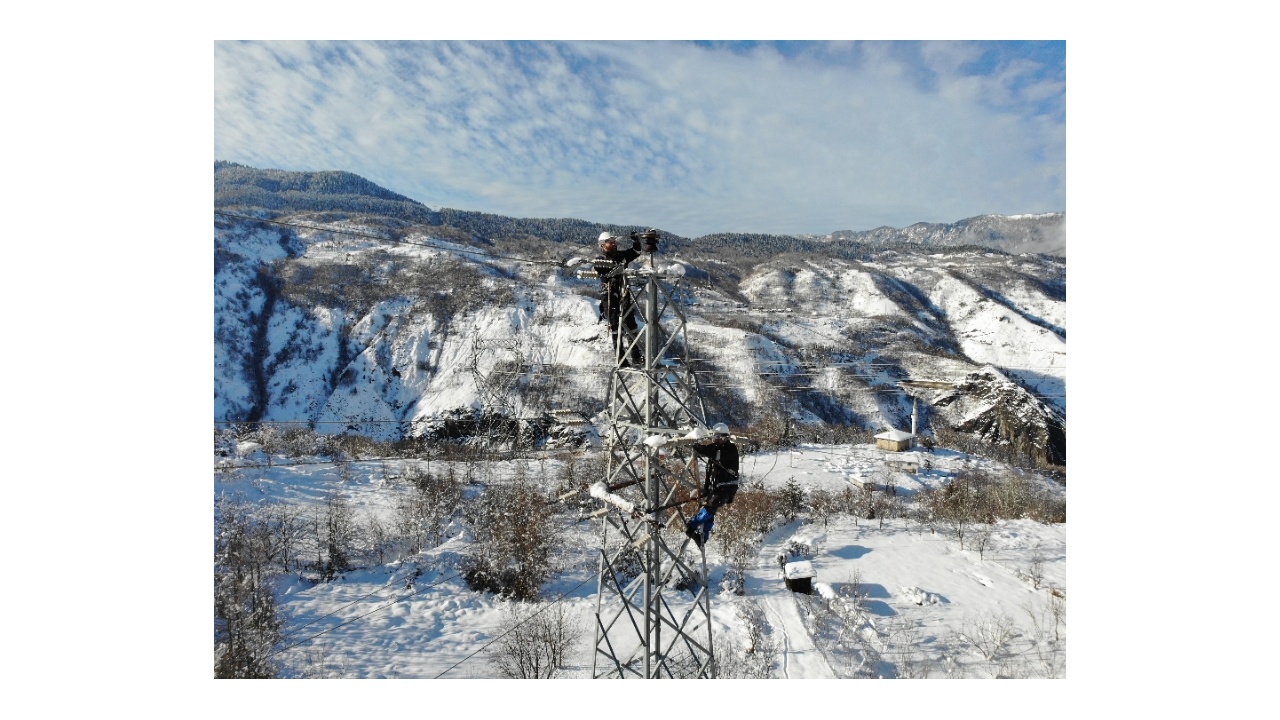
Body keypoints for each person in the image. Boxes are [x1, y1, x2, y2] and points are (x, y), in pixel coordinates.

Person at [592, 230, 658, 367]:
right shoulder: (601, 259)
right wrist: (615, 266)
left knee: (631, 325)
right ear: (603, 245)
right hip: (610, 296)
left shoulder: (621, 256)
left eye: (615, 242)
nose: (614, 244)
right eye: (611, 242)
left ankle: (636, 356)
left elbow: (635, 252)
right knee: (616, 327)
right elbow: (599, 266)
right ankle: (620, 358)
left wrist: (635, 241)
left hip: (624, 294)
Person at [685, 423, 739, 548]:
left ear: (725, 437)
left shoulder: (730, 449)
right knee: (711, 509)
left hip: (727, 486)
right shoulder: (715, 448)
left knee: (711, 505)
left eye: (718, 437)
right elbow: (710, 469)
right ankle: (702, 537)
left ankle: (692, 525)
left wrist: (698, 447)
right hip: (716, 487)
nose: (716, 440)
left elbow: (715, 454)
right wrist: (707, 487)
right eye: (714, 437)